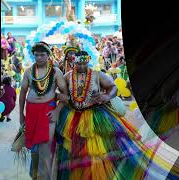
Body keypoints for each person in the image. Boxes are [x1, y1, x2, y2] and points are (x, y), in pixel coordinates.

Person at [54, 50, 145, 179]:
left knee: (100, 152)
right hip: (72, 118)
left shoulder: (97, 75)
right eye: (78, 64)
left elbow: (113, 87)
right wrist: (61, 95)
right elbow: (59, 90)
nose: (81, 66)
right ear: (74, 63)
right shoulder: (68, 76)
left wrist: (107, 96)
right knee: (76, 151)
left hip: (97, 116)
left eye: (84, 63)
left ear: (88, 61)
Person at [19, 41, 68, 180]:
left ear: (48, 55)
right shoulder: (28, 71)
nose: (39, 58)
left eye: (42, 55)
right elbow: (22, 95)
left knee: (45, 148)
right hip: (31, 112)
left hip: (48, 112)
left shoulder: (56, 72)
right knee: (34, 148)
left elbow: (65, 96)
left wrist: (57, 111)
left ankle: (44, 177)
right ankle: (35, 175)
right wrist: (21, 116)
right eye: (36, 55)